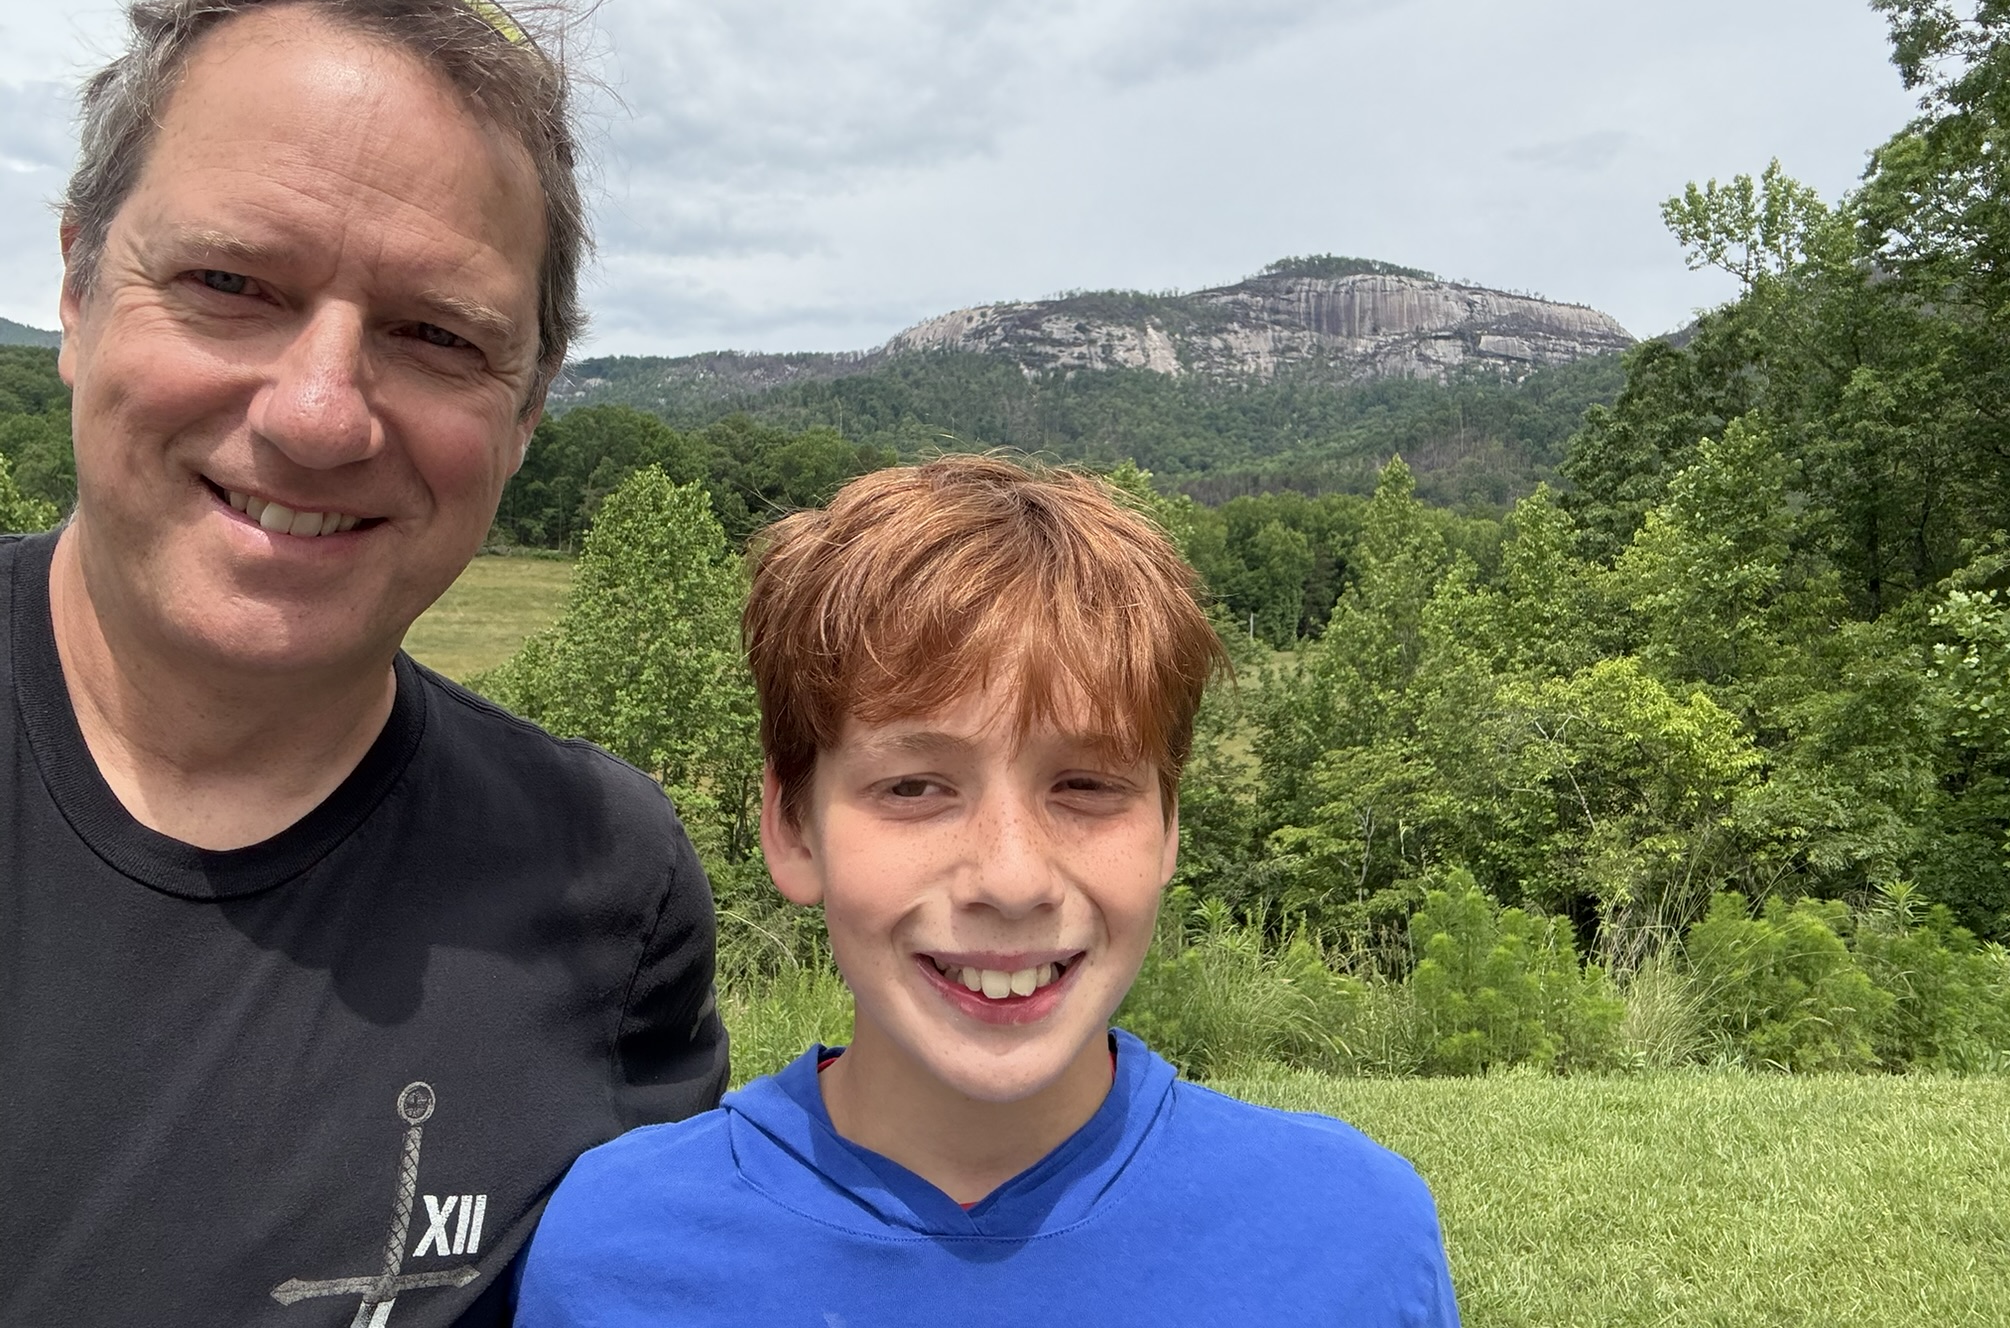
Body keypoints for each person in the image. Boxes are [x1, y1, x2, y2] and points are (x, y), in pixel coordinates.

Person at [0, 0, 727, 1328]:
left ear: (526, 416)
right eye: (230, 284)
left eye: (435, 335)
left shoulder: (605, 882)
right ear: (75, 290)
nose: (322, 413)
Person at [512, 456, 1461, 1326]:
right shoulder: (616, 1250)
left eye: (1086, 786)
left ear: (1170, 829)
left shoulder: (1352, 1241)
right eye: (915, 787)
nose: (1011, 879)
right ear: (793, 828)